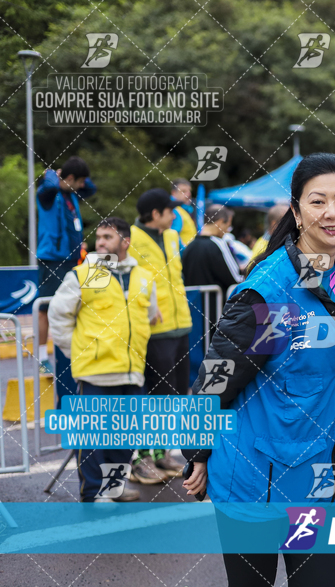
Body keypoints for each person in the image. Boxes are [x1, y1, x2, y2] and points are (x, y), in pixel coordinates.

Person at [181, 153, 335, 587]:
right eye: (317, 202)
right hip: (255, 487)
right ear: (297, 212)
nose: (332, 212)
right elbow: (216, 380)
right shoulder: (272, 293)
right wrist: (197, 453)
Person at [47, 217, 159, 502]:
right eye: (99, 237)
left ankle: (113, 487)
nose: (100, 242)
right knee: (94, 438)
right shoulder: (93, 272)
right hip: (96, 371)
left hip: (131, 371)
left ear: (126, 242)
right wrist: (78, 354)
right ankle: (94, 493)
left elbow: (148, 318)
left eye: (108, 237)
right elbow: (58, 317)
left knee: (125, 437)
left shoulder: (143, 277)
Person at [127, 189, 192, 482]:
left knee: (174, 395)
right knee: (154, 397)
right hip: (154, 331)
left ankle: (162, 454)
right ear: (155, 214)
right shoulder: (130, 240)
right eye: (170, 210)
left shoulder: (171, 236)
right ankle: (141, 459)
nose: (174, 215)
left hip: (181, 326)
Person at [36, 156, 97, 376]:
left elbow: (91, 188)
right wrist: (52, 174)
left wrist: (70, 179)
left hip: (74, 259)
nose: (82, 186)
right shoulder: (47, 194)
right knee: (45, 307)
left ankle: (71, 354)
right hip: (52, 258)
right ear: (69, 178)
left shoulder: (72, 193)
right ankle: (42, 358)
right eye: (78, 181)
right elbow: (49, 186)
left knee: (76, 304)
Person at [182, 204, 243, 326]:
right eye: (228, 225)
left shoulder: (189, 246)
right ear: (220, 222)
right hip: (216, 316)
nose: (228, 230)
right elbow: (235, 279)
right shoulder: (219, 244)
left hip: (192, 314)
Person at [170, 178, 198, 246]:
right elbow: (173, 236)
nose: (188, 194)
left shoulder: (184, 209)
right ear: (174, 193)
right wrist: (184, 251)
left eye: (189, 191)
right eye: (183, 191)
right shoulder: (174, 210)